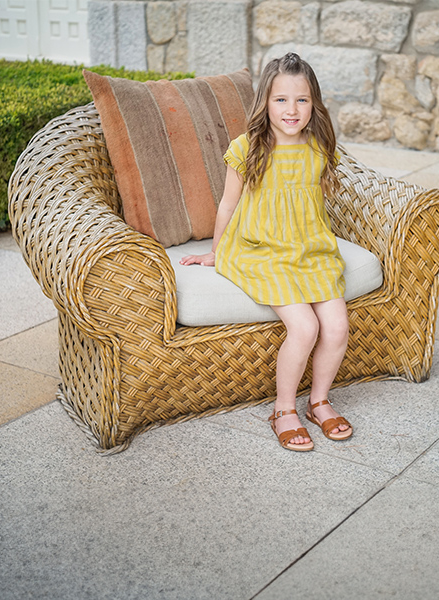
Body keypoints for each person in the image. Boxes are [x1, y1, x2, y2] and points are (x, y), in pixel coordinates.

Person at [180, 53, 352, 452]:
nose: (292, 110)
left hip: (311, 250)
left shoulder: (320, 147)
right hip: (261, 251)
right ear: (265, 102)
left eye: (302, 100)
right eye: (281, 100)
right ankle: (283, 408)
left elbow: (315, 200)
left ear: (315, 104)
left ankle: (319, 402)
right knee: (305, 328)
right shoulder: (248, 148)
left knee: (338, 327)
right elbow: (227, 205)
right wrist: (217, 252)